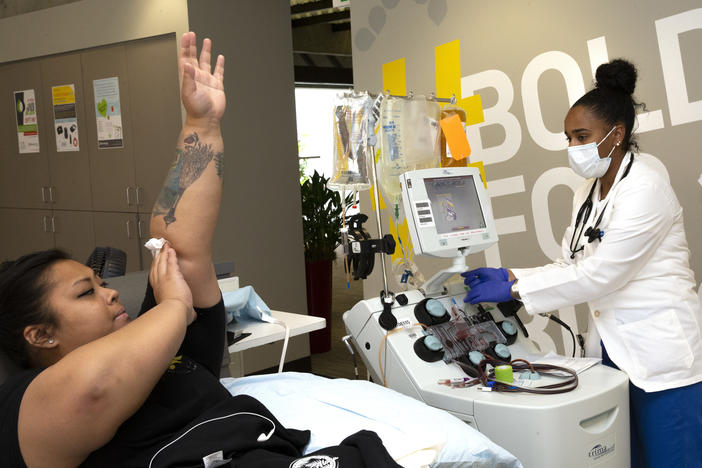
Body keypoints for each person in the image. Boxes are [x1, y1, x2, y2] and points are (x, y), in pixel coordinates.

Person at [0, 32, 403, 468]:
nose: (111, 292)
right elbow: (93, 389)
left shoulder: (163, 344)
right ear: (40, 335)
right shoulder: (22, 402)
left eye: (101, 283)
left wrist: (202, 126)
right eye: (86, 292)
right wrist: (175, 306)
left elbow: (180, 244)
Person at [462, 59, 702, 468]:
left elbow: (602, 274)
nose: (573, 147)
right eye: (568, 138)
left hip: (662, 360)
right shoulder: (588, 191)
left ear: (616, 134)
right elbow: (571, 261)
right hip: (612, 353)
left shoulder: (646, 188)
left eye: (581, 136)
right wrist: (513, 274)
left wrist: (516, 290)